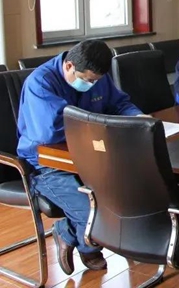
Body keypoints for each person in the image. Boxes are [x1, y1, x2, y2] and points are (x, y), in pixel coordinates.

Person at [17, 40, 143, 275]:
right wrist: (100, 126)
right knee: (92, 210)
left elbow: (119, 104)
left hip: (91, 157)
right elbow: (50, 133)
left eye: (96, 81)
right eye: (88, 80)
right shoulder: (40, 83)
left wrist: (138, 118)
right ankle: (87, 246)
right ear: (69, 66)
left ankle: (67, 232)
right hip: (47, 165)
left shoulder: (97, 75)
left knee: (126, 194)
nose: (92, 85)